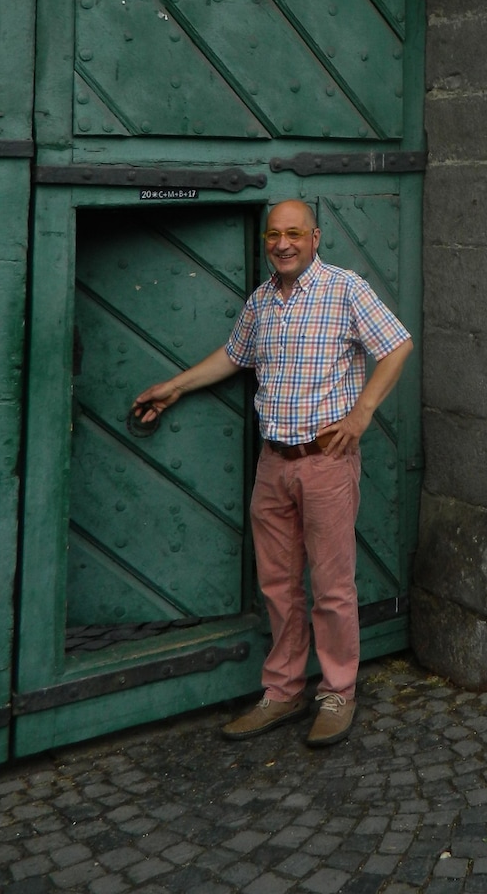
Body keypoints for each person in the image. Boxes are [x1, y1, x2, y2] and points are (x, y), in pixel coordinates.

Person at [132, 197, 412, 747]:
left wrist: (362, 414)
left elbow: (397, 345)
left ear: (315, 238)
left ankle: (337, 692)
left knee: (332, 588)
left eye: (293, 234)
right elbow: (234, 356)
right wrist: (173, 388)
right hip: (273, 465)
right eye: (272, 236)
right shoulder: (262, 301)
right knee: (279, 587)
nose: (281, 244)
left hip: (325, 461)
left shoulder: (344, 289)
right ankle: (282, 691)